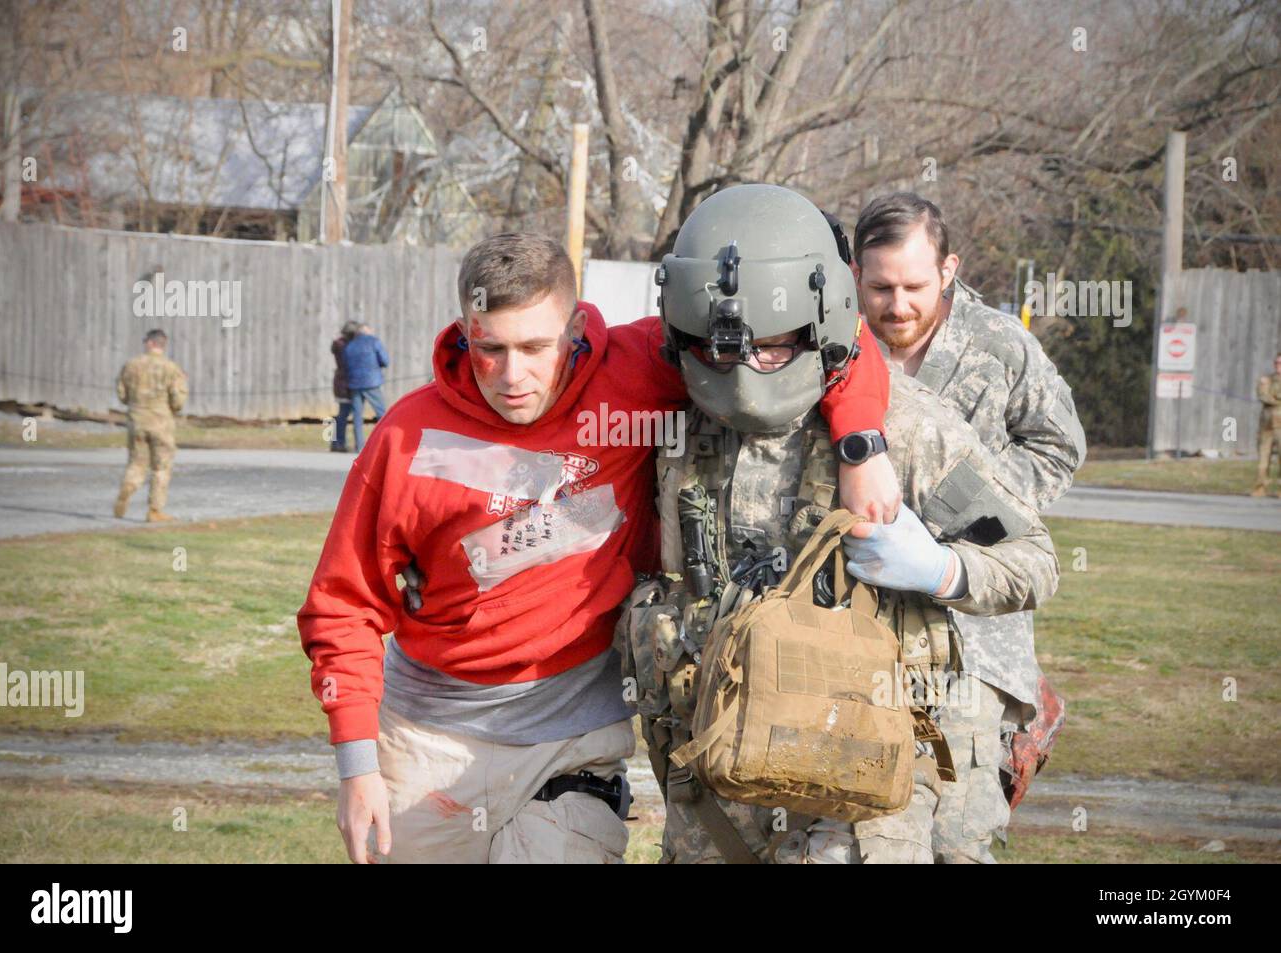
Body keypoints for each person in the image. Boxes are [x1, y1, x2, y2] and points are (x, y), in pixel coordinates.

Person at [297, 230, 896, 864]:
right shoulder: (405, 437)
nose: (512, 375)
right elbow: (342, 606)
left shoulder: (635, 368)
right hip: (427, 738)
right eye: (489, 349)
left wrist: (861, 443)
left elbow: (830, 336)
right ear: (463, 331)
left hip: (572, 738)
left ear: (577, 326)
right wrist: (356, 766)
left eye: (535, 346)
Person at [624, 183, 1060, 863]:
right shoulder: (675, 420)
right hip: (712, 793)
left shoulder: (908, 430)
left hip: (853, 805)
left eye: (772, 348)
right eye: (723, 350)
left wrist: (943, 568)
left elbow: (1031, 559)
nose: (744, 371)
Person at [852, 191, 1087, 862]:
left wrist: (973, 506)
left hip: (975, 630)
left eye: (916, 287)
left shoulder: (998, 343)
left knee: (958, 834)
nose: (898, 305)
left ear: (949, 269)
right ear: (853, 275)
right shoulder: (834, 348)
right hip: (863, 622)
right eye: (881, 287)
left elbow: (1058, 445)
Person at [113, 329, 188, 523]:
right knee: (161, 467)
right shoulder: (171, 368)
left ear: (149, 343)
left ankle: (128, 486)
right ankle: (155, 510)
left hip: (136, 420)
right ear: (162, 345)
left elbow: (122, 395)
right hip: (161, 422)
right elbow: (178, 400)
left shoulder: (130, 365)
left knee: (137, 463)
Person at [343, 322, 390, 451]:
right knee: (382, 414)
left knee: (357, 416)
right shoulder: (374, 341)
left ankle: (359, 446)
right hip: (372, 382)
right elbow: (385, 361)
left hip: (354, 383)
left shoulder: (349, 345)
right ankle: (384, 444)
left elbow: (346, 365)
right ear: (367, 330)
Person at [1252, 352, 1281, 497]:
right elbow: (1263, 396)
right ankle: (1260, 487)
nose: (1278, 366)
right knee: (1263, 457)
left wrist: (1273, 398)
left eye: (1280, 363)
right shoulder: (1266, 379)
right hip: (1266, 423)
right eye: (1276, 363)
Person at [330, 321, 360, 452]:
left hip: (343, 382)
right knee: (343, 414)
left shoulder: (340, 344)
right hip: (345, 383)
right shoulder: (345, 346)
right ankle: (337, 442)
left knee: (343, 414)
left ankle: (337, 442)